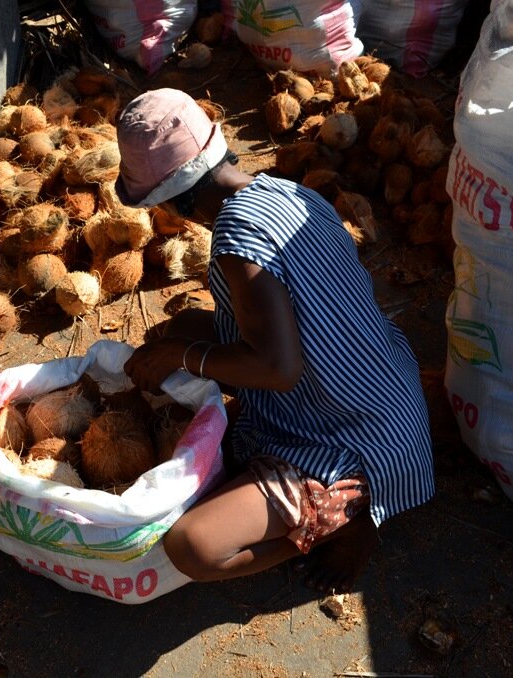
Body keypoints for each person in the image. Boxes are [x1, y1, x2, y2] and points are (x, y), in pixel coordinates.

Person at [116, 88, 435, 592]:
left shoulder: (236, 241)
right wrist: (180, 343)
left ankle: (341, 524)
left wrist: (183, 355)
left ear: (175, 200)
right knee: (178, 332)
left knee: (191, 547)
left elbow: (278, 369)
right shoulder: (289, 192)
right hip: (384, 387)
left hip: (353, 437)